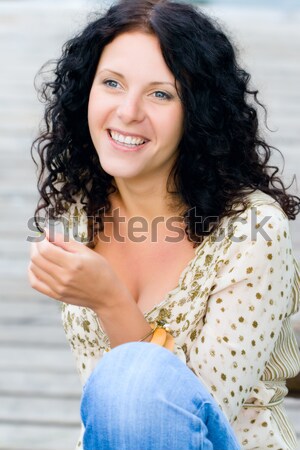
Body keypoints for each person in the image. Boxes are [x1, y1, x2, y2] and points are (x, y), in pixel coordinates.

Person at [28, 0, 300, 449]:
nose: (128, 111)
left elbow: (178, 418)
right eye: (112, 83)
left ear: (197, 111)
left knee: (138, 386)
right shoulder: (83, 210)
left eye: (161, 93)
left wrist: (110, 300)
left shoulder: (254, 230)